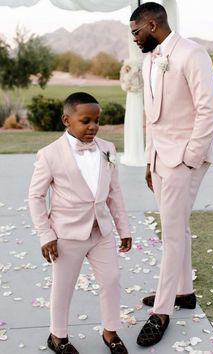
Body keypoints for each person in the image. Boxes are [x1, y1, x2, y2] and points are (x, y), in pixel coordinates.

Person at [130, 2, 213, 347]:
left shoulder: (192, 53)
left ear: (152, 25)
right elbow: (151, 115)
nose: (135, 39)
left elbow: (208, 108)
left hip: (185, 158)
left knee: (170, 233)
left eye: (136, 32)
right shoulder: (149, 59)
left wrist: (189, 158)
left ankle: (161, 311)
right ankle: (184, 292)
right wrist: (148, 160)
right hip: (160, 158)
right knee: (176, 226)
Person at [28, 92, 132, 354]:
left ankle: (110, 332)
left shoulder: (107, 149)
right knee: (63, 288)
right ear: (66, 120)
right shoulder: (49, 154)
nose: (93, 127)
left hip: (101, 232)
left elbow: (114, 192)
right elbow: (36, 196)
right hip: (67, 235)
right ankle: (58, 337)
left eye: (97, 121)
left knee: (111, 279)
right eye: (85, 121)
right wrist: (45, 234)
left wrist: (124, 229)